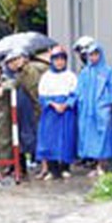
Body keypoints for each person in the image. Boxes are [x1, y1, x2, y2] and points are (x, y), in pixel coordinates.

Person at [76, 41, 112, 176]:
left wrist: (107, 105)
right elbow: (79, 91)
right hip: (88, 111)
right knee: (90, 139)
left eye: (95, 54)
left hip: (102, 110)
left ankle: (102, 165)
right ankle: (95, 165)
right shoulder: (85, 72)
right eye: (90, 55)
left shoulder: (108, 71)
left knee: (103, 138)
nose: (93, 57)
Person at [36, 45, 78, 180]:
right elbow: (42, 96)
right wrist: (53, 104)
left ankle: (65, 167)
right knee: (50, 140)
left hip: (66, 111)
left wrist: (66, 104)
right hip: (51, 112)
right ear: (52, 61)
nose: (59, 62)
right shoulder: (46, 77)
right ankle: (53, 169)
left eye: (62, 59)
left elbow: (75, 94)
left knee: (67, 138)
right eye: (56, 59)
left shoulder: (71, 76)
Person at [6, 48, 48, 178]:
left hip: (42, 106)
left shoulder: (36, 68)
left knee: (45, 137)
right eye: (13, 60)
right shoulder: (20, 74)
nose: (16, 62)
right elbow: (12, 84)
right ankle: (43, 168)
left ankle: (52, 167)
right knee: (36, 138)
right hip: (33, 109)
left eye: (18, 58)